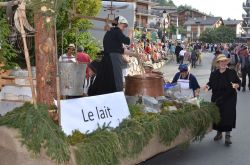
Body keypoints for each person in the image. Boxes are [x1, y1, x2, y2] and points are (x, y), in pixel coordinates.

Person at [204, 54, 241, 145]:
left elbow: (238, 81)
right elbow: (210, 83)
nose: (223, 63)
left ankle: (228, 136)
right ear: (218, 63)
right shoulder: (214, 74)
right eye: (221, 61)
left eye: (224, 61)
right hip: (217, 98)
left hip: (229, 98)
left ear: (226, 63)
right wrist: (207, 86)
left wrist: (236, 85)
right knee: (218, 116)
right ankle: (219, 133)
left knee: (228, 116)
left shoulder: (231, 72)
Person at [95, 15, 136, 95]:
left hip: (107, 58)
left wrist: (136, 55)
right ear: (119, 23)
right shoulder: (116, 31)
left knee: (108, 78)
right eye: (123, 26)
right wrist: (130, 33)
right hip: (114, 57)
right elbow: (127, 41)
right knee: (117, 78)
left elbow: (121, 50)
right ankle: (119, 95)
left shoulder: (110, 32)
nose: (124, 28)